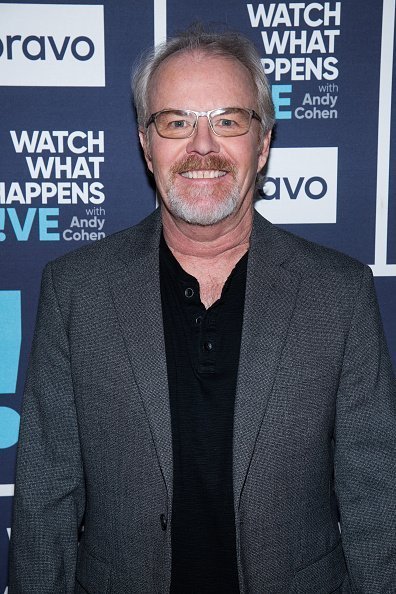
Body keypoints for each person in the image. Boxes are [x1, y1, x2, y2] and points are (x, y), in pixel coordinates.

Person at [9, 26, 396, 594]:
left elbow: (377, 502)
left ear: (262, 144)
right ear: (146, 144)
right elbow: (48, 496)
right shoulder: (76, 290)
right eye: (177, 122)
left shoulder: (340, 293)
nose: (203, 146)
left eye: (229, 121)